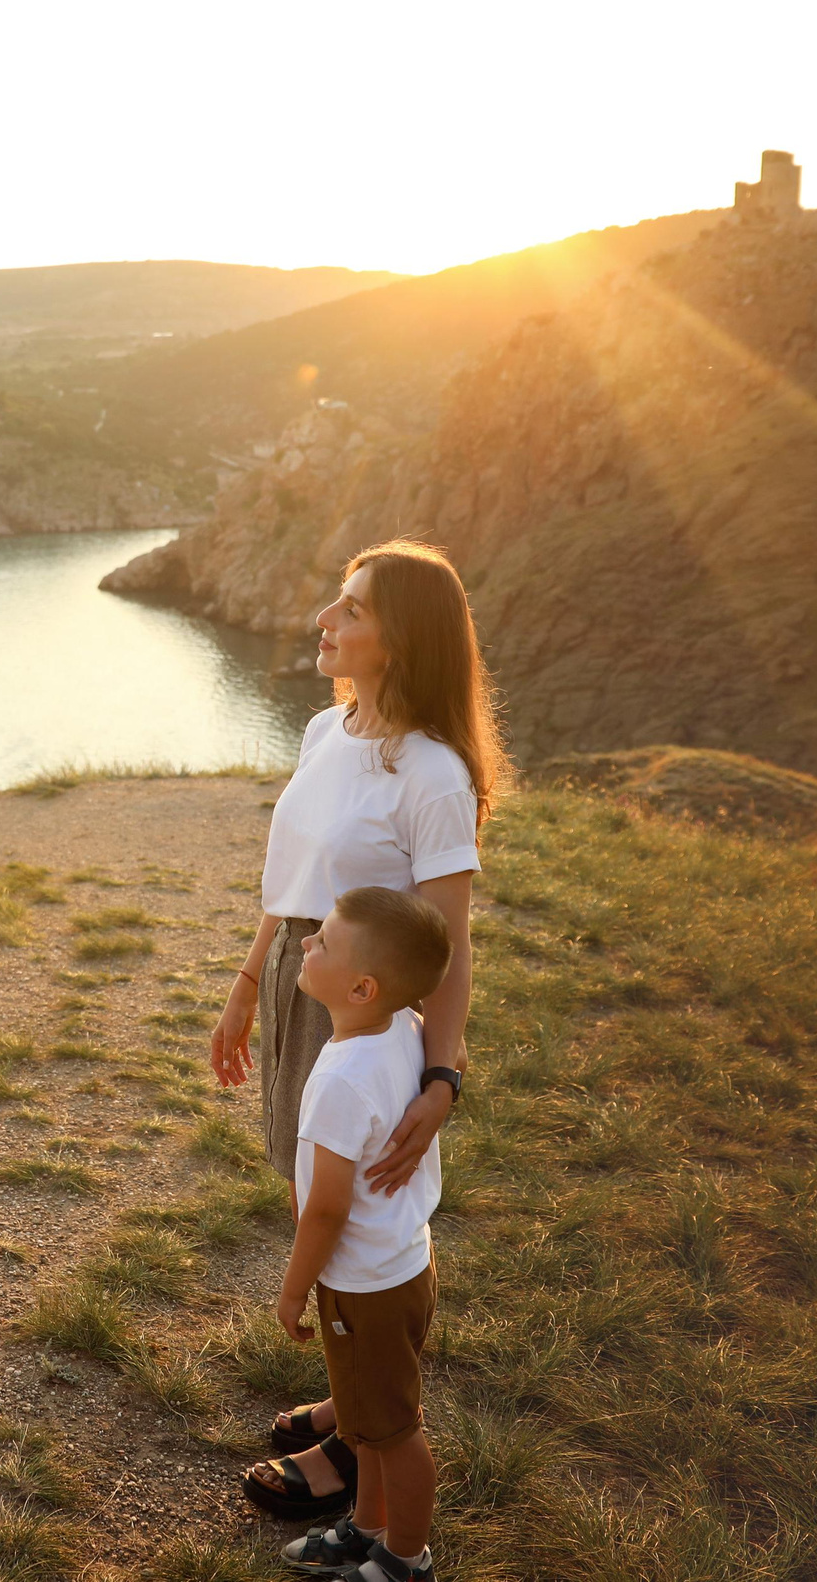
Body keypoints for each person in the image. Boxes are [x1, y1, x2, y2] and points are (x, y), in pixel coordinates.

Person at [211, 539, 511, 1521]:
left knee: (351, 1220)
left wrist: (439, 1080)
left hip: (371, 1022)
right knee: (316, 1198)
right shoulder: (322, 730)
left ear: (399, 642)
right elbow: (291, 879)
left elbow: (451, 948)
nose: (323, 621)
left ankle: (354, 1446)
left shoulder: (431, 773)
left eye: (349, 610)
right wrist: (250, 979)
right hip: (310, 984)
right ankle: (352, 1398)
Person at [270, 887, 454, 1581]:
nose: (308, 944)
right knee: (366, 1422)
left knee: (395, 1431)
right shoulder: (401, 1027)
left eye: (322, 941)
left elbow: (326, 1209)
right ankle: (369, 1526)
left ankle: (406, 1559)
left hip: (364, 1282)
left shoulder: (343, 1078)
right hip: (402, 1261)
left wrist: (293, 1291)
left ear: (359, 984)